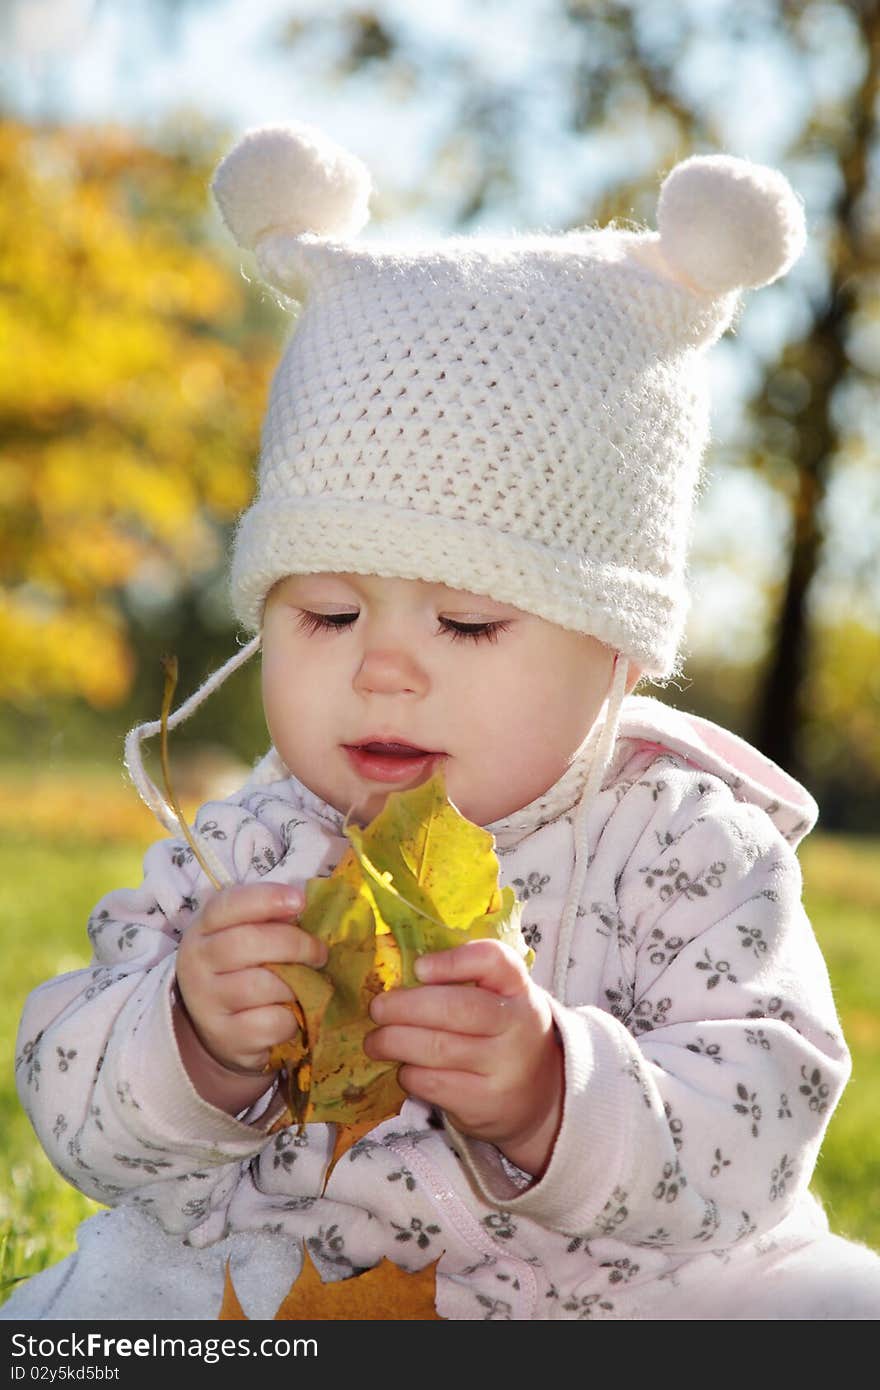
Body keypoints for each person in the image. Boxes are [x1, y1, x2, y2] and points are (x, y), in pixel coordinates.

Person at [5, 123, 880, 1322]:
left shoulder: (686, 851)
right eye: (324, 612)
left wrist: (549, 1096)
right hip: (281, 1280)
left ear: (619, 652)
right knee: (96, 1310)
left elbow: (761, 1120)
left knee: (823, 1315)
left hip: (614, 1295)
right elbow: (71, 1101)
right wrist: (191, 1044)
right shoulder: (256, 845)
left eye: (466, 623)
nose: (384, 672)